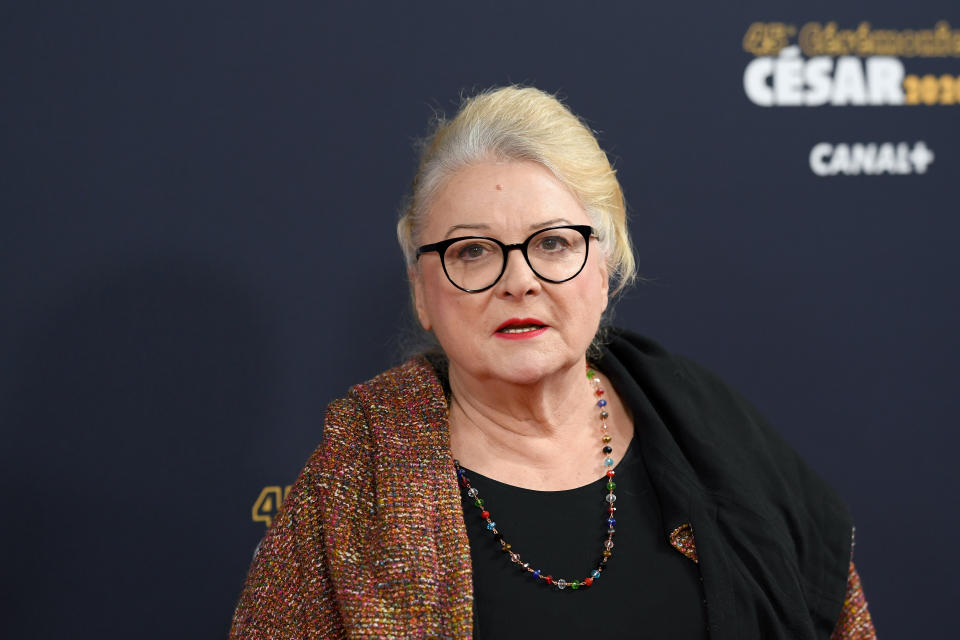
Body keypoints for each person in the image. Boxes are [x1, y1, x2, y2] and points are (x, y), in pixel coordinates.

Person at [230, 86, 876, 639]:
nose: (519, 281)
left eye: (554, 243)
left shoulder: (716, 437)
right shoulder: (355, 479)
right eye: (474, 251)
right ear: (422, 291)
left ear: (604, 269)